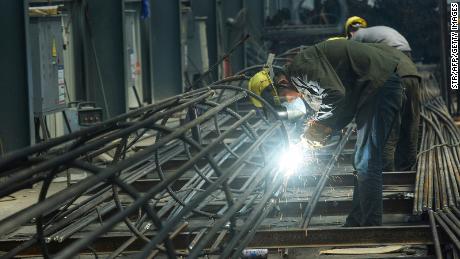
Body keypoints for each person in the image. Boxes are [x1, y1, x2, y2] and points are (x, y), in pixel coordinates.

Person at [281, 39, 404, 226]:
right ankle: (356, 221)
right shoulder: (301, 75)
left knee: (367, 161)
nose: (288, 102)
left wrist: (321, 126)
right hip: (374, 87)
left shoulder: (300, 70)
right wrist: (326, 128)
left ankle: (372, 227)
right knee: (362, 160)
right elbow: (341, 101)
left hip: (379, 85)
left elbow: (336, 94)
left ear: (281, 83)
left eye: (284, 99)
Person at [345, 16, 420, 171]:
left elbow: (351, 66)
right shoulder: (376, 32)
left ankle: (386, 175)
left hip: (392, 66)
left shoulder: (357, 36)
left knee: (388, 125)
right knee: (410, 123)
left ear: (350, 32)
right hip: (410, 67)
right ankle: (406, 170)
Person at [345, 16, 412, 58]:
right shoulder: (370, 31)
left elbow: (351, 54)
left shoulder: (357, 34)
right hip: (406, 49)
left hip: (394, 51)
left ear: (350, 31)